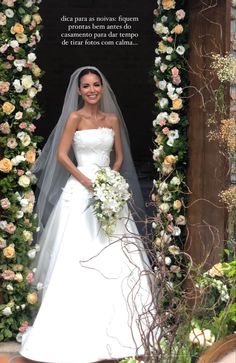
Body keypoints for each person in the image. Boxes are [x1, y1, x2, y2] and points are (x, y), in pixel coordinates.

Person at [19, 66, 154, 363]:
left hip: (108, 192)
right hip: (81, 190)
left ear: (101, 89)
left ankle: (125, 331)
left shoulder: (112, 120)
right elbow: (61, 155)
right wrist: (86, 181)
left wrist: (111, 181)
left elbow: (119, 156)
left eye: (96, 85)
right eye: (86, 86)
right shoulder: (74, 118)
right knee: (76, 252)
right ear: (79, 91)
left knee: (118, 253)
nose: (92, 90)